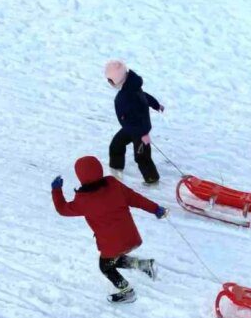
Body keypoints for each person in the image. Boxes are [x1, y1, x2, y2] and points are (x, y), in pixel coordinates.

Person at [51, 155, 169, 302]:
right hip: (132, 237)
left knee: (105, 266)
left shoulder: (83, 201)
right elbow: (137, 199)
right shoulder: (113, 184)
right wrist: (156, 209)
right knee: (113, 259)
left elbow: (62, 209)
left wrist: (56, 191)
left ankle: (126, 291)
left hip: (112, 245)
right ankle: (144, 265)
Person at [105, 60, 165, 184]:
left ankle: (152, 179)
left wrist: (143, 134)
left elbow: (142, 105)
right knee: (116, 144)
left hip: (140, 132)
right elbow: (145, 96)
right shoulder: (132, 86)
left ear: (116, 80)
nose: (109, 83)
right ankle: (116, 169)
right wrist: (156, 105)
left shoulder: (126, 95)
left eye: (109, 80)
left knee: (142, 157)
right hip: (130, 128)